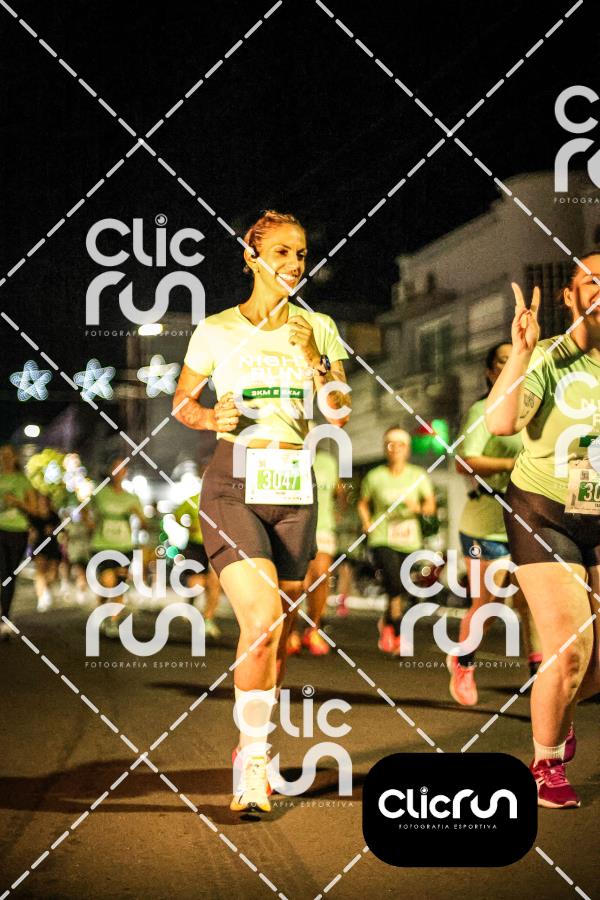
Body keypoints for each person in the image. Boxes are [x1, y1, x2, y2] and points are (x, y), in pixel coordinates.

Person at [173, 209, 350, 813]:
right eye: (280, 252)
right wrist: (208, 416)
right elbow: (182, 402)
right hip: (233, 483)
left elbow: (339, 412)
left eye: (300, 254)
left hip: (295, 487)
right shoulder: (217, 329)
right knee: (263, 620)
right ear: (251, 258)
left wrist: (315, 358)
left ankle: (255, 746)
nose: (294, 264)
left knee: (277, 636)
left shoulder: (318, 326)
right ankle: (252, 764)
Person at [486, 254, 600, 809]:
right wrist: (522, 352)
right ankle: (545, 764)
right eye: (590, 281)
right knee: (569, 648)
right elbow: (502, 422)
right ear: (570, 297)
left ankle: (561, 709)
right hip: (543, 511)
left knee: (593, 666)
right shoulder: (550, 358)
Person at [448, 343, 542, 706]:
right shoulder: (482, 410)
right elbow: (464, 462)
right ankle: (464, 662)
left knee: (530, 603)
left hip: (528, 520)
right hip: (486, 524)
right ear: (490, 373)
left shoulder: (534, 409)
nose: (511, 364)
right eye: (502, 361)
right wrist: (512, 465)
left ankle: (538, 676)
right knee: (488, 603)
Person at [357, 426, 436, 655]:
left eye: (401, 445)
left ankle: (387, 622)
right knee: (393, 581)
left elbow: (430, 507)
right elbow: (363, 503)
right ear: (385, 448)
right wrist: (366, 521)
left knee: (402, 587)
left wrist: (418, 507)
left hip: (409, 540)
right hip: (382, 537)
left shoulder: (418, 476)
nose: (395, 449)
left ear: (408, 449)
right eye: (390, 445)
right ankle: (400, 635)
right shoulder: (375, 476)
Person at [287, 448, 339, 656]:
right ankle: (290, 631)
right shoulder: (287, 456)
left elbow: (338, 492)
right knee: (298, 582)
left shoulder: (328, 462)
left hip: (323, 525)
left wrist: (336, 513)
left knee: (321, 576)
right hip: (294, 525)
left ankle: (313, 629)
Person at [89, 458, 146, 637]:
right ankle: (101, 610)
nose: (118, 471)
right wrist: (89, 524)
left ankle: (112, 621)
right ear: (110, 471)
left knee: (119, 586)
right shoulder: (100, 493)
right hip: (102, 544)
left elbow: (144, 522)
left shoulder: (132, 497)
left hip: (124, 546)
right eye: (115, 468)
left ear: (125, 472)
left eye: (122, 468)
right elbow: (85, 511)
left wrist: (139, 517)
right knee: (107, 582)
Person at [174, 490, 222, 640]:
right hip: (196, 546)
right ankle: (190, 608)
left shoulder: (222, 500)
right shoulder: (193, 499)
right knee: (197, 583)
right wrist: (188, 527)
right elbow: (176, 515)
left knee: (214, 582)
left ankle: (208, 619)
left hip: (216, 545)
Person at [0, 445, 35, 638]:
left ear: (14, 458)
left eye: (8, 455)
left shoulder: (22, 480)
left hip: (17, 531)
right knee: (2, 572)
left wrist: (17, 502)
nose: (4, 458)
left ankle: (5, 617)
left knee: (9, 576)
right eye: (1, 455)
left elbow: (34, 508)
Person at [28, 492, 62, 612]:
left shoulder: (54, 516)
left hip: (52, 547)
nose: (43, 503)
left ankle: (45, 588)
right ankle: (41, 598)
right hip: (39, 546)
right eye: (41, 501)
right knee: (40, 573)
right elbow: (30, 530)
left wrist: (54, 531)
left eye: (45, 501)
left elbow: (60, 529)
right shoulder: (34, 516)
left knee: (53, 574)